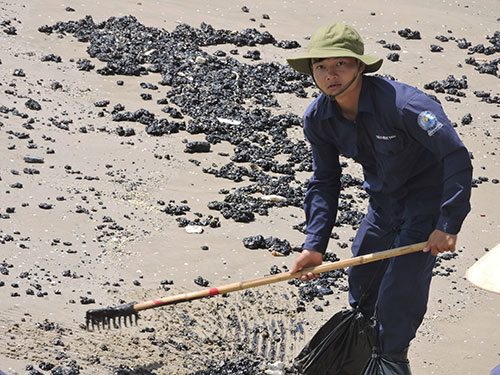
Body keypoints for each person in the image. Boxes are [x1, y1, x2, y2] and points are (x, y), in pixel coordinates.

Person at [287, 23, 472, 372]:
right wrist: (314, 245)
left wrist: (448, 223)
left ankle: (390, 361)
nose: (331, 75)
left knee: (398, 300)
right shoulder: (318, 118)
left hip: (425, 210)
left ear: (360, 66)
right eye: (321, 67)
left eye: (340, 64)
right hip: (383, 208)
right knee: (362, 293)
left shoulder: (405, 106)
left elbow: (456, 157)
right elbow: (325, 181)